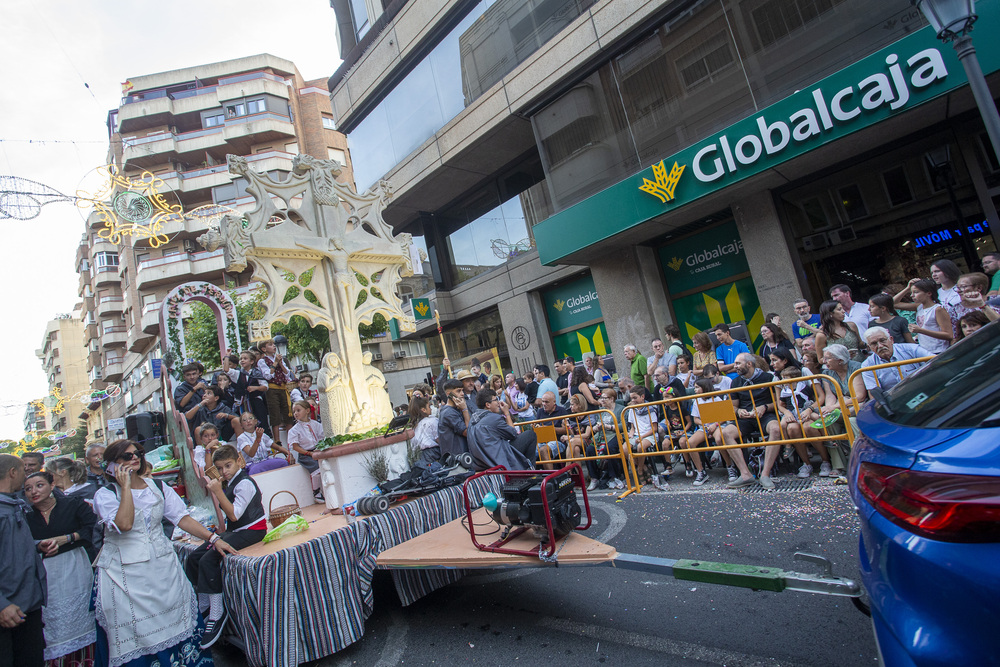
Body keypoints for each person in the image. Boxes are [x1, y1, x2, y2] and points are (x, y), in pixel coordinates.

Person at [94, 439, 236, 665]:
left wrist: (213, 538)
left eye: (137, 454)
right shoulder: (105, 495)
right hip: (126, 575)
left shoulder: (158, 487)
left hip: (162, 567)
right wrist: (125, 488)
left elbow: (181, 518)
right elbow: (125, 524)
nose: (134, 459)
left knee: (176, 618)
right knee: (136, 629)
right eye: (127, 456)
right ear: (112, 466)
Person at [185, 444, 266, 649]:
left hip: (252, 531)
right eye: (220, 468)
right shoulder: (228, 483)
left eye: (228, 465)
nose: (224, 471)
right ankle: (204, 603)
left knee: (210, 558)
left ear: (239, 461)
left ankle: (217, 612)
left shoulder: (245, 483)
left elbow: (234, 515)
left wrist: (218, 492)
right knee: (194, 557)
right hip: (236, 531)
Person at [24, 470, 97, 664]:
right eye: (28, 489)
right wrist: (38, 545)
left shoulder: (73, 505)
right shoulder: (26, 515)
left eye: (39, 485)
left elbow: (93, 527)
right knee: (51, 620)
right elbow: (22, 542)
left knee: (79, 614)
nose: (34, 492)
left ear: (52, 485)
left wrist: (68, 538)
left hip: (74, 566)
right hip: (45, 572)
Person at [0, 455, 48, 667]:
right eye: (22, 470)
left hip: (26, 604)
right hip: (7, 609)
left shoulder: (13, 504)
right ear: (12, 472)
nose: (25, 475)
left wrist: (36, 545)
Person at [688, 378, 755, 488]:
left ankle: (730, 466)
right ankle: (701, 472)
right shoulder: (696, 400)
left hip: (718, 425)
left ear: (704, 388)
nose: (694, 390)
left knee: (719, 438)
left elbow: (724, 416)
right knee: (690, 442)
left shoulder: (716, 398)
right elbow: (695, 419)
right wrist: (705, 424)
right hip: (705, 427)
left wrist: (715, 424)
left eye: (697, 387)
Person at [730, 353, 782, 489]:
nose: (735, 366)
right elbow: (733, 405)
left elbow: (778, 403)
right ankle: (745, 474)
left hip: (766, 415)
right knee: (726, 433)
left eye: (738, 363)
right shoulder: (735, 382)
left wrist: (764, 407)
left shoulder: (768, 378)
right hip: (746, 418)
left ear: (749, 364)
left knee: (776, 429)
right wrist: (739, 411)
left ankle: (765, 474)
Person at [775, 367, 832, 479]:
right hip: (793, 414)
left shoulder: (804, 387)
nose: (784, 381)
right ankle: (806, 463)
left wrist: (809, 409)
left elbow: (815, 398)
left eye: (786, 378)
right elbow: (781, 404)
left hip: (805, 412)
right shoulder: (784, 391)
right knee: (791, 428)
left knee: (809, 427)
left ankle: (826, 460)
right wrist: (787, 413)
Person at [466, 389, 537, 471]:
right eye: (496, 400)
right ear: (488, 405)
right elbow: (513, 434)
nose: (499, 403)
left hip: (482, 463)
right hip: (498, 460)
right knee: (530, 435)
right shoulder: (494, 418)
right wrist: (507, 413)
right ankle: (530, 470)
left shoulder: (472, 420)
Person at [859, 327, 932, 393]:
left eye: (883, 340)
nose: (880, 346)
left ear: (891, 340)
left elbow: (936, 362)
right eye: (874, 343)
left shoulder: (912, 349)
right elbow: (875, 394)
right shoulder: (867, 365)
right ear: (869, 347)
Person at [583, 389, 626, 490]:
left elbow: (623, 425)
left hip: (615, 434)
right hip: (601, 435)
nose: (602, 400)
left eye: (604, 398)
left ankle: (613, 476)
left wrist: (608, 426)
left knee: (610, 448)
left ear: (611, 399)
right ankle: (594, 478)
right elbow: (595, 424)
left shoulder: (621, 409)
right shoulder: (601, 411)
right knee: (590, 450)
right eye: (601, 398)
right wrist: (596, 428)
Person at [895, 278, 953, 354]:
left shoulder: (937, 309)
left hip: (938, 351)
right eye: (911, 292)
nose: (912, 295)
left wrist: (920, 330)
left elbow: (948, 335)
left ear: (929, 293)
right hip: (924, 351)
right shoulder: (919, 307)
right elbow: (893, 304)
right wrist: (907, 288)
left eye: (916, 292)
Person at [256, 338, 296, 445]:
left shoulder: (279, 359)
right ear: (264, 349)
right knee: (275, 414)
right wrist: (275, 363)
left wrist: (280, 363)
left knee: (288, 413)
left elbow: (287, 373)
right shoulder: (262, 361)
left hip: (283, 388)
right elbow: (268, 375)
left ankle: (291, 439)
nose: (274, 346)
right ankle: (277, 440)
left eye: (274, 344)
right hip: (272, 389)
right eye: (270, 345)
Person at [945, 272, 1000, 338]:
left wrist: (981, 305)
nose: (958, 290)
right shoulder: (954, 310)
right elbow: (957, 336)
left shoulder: (995, 301)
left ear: (979, 288)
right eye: (957, 287)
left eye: (963, 287)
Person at [287, 401, 323, 499]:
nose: (296, 413)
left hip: (317, 451)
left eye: (298, 410)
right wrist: (309, 453)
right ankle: (316, 492)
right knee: (316, 468)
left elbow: (321, 437)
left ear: (307, 411)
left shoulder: (315, 424)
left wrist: (319, 449)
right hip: (305, 455)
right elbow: (295, 446)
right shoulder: (294, 430)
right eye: (294, 411)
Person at [232, 350, 271, 436]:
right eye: (241, 359)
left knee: (261, 422)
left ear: (252, 361)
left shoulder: (256, 372)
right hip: (244, 403)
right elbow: (226, 370)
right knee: (246, 422)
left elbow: (265, 387)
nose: (242, 360)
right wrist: (227, 356)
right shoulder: (239, 373)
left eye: (245, 358)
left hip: (256, 401)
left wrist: (255, 388)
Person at [821, 343, 866, 413]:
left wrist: (834, 407)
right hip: (840, 404)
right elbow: (830, 396)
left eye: (827, 358)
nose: (824, 362)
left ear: (840, 360)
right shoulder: (826, 373)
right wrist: (828, 409)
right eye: (824, 358)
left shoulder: (855, 368)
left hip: (857, 404)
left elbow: (860, 396)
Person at [534, 391, 570, 468]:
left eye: (546, 402)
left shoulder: (562, 411)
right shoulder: (540, 411)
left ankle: (551, 477)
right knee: (528, 451)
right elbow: (536, 426)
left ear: (554, 402)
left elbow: (566, 430)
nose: (544, 404)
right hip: (542, 441)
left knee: (544, 450)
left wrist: (549, 429)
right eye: (543, 401)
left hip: (558, 441)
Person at [437, 379, 471, 459]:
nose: (462, 394)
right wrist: (465, 410)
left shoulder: (456, 408)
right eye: (458, 391)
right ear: (449, 394)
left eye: (462, 390)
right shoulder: (448, 413)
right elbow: (468, 432)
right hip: (456, 459)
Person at [173, 362, 208, 437]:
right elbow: (182, 403)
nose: (192, 377)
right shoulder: (180, 389)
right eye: (188, 375)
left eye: (194, 374)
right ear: (184, 377)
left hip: (206, 415)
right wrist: (194, 389)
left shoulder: (202, 384)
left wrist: (206, 390)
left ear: (198, 374)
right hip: (191, 420)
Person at [409, 396, 440, 466]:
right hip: (432, 453)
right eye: (429, 406)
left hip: (417, 455)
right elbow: (439, 438)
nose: (431, 409)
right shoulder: (432, 421)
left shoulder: (414, 426)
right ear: (424, 410)